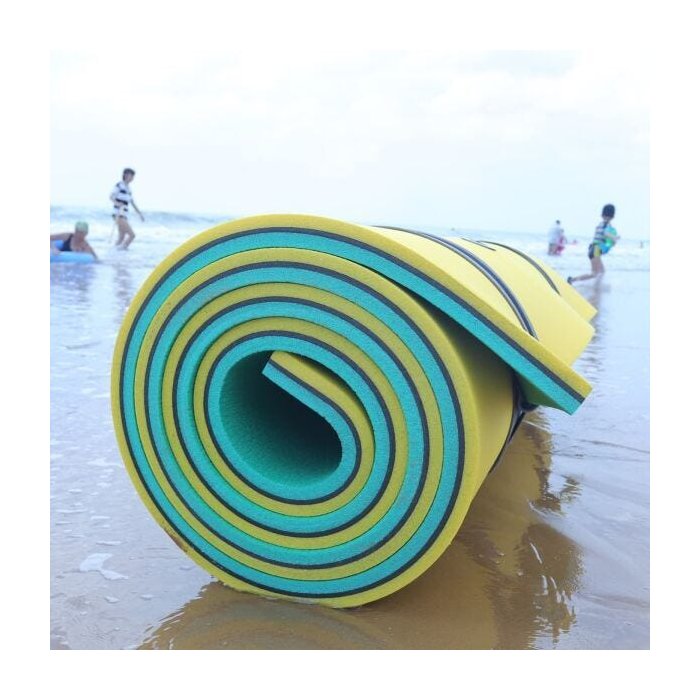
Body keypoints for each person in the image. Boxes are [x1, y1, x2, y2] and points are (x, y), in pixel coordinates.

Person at [567, 204, 620, 284]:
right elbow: (606, 234)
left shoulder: (600, 224)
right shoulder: (607, 225)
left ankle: (597, 286)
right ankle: (572, 280)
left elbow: (601, 237)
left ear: (602, 215)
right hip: (596, 250)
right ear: (612, 216)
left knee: (602, 271)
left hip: (593, 248)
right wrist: (614, 238)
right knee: (594, 273)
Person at [110, 167, 145, 250]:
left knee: (121, 236)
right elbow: (111, 197)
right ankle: (122, 250)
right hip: (118, 214)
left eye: (133, 176)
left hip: (124, 214)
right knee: (132, 235)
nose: (132, 178)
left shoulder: (129, 189)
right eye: (131, 175)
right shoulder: (119, 185)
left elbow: (132, 203)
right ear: (125, 175)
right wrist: (118, 203)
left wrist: (140, 214)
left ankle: (114, 252)